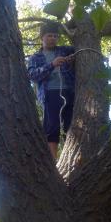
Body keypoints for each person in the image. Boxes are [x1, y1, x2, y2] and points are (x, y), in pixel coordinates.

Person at [27, 22, 75, 159]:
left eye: (55, 36)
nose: (53, 38)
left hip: (69, 91)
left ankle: (71, 158)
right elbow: (32, 75)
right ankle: (53, 162)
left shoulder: (64, 50)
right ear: (42, 37)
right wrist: (52, 64)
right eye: (49, 35)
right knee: (52, 128)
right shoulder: (35, 57)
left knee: (71, 126)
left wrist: (72, 59)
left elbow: (80, 50)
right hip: (50, 94)